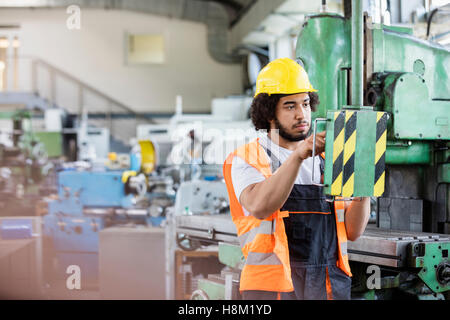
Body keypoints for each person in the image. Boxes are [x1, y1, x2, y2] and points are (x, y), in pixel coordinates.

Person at [222, 58, 370, 300]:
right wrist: (299, 155)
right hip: (274, 290)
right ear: (269, 112)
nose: (302, 114)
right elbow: (260, 206)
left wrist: (364, 188)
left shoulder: (327, 160)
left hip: (327, 286)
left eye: (305, 104)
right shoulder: (248, 158)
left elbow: (352, 231)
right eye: (290, 106)